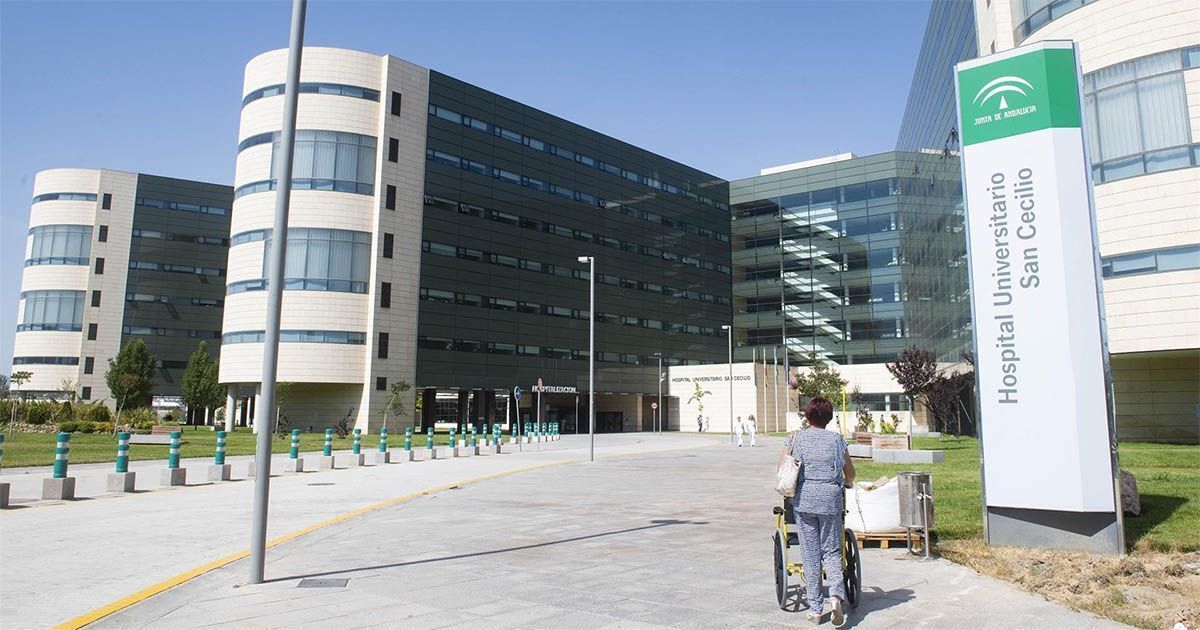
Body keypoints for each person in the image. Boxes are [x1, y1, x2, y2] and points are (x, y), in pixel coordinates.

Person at [778, 397, 856, 627]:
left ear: (808, 416)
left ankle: (815, 609)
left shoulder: (796, 438)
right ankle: (836, 598)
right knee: (832, 551)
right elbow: (849, 471)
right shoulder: (837, 440)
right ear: (829, 417)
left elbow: (782, 467)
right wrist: (848, 482)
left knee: (810, 554)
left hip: (805, 500)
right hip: (830, 500)